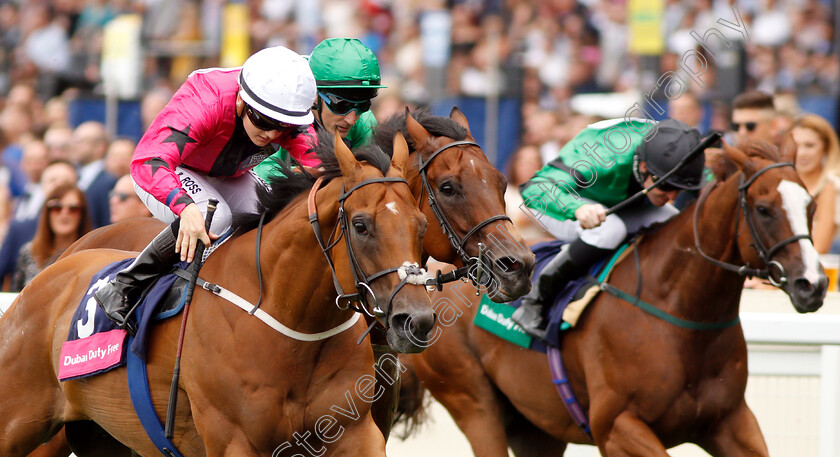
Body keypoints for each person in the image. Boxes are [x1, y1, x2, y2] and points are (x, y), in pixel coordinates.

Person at [93, 45, 319, 332]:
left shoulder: (286, 111)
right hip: (169, 168)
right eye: (263, 121)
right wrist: (185, 208)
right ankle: (125, 285)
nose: (272, 134)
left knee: (270, 214)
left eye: (284, 127)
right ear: (240, 101)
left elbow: (323, 167)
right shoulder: (207, 99)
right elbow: (148, 161)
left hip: (225, 172)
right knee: (215, 215)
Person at [512, 118, 704, 339]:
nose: (672, 197)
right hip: (558, 201)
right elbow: (535, 189)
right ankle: (535, 300)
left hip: (621, 200)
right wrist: (577, 209)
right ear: (643, 167)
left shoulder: (678, 152)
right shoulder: (605, 155)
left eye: (679, 189)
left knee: (675, 221)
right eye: (666, 186)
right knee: (610, 229)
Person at [253, 38, 385, 182]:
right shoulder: (285, 109)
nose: (352, 119)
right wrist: (309, 175)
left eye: (362, 105)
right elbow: (262, 170)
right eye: (342, 106)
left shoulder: (365, 121)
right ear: (314, 94)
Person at [11, 183, 91, 291]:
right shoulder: (29, 252)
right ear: (47, 213)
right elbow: (16, 298)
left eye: (73, 209)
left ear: (82, 215)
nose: (64, 213)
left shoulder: (91, 255)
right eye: (56, 208)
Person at [789, 114, 840, 254]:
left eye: (809, 145)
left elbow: (820, 248)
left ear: (826, 147)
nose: (801, 153)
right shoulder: (783, 184)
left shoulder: (831, 185)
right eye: (795, 145)